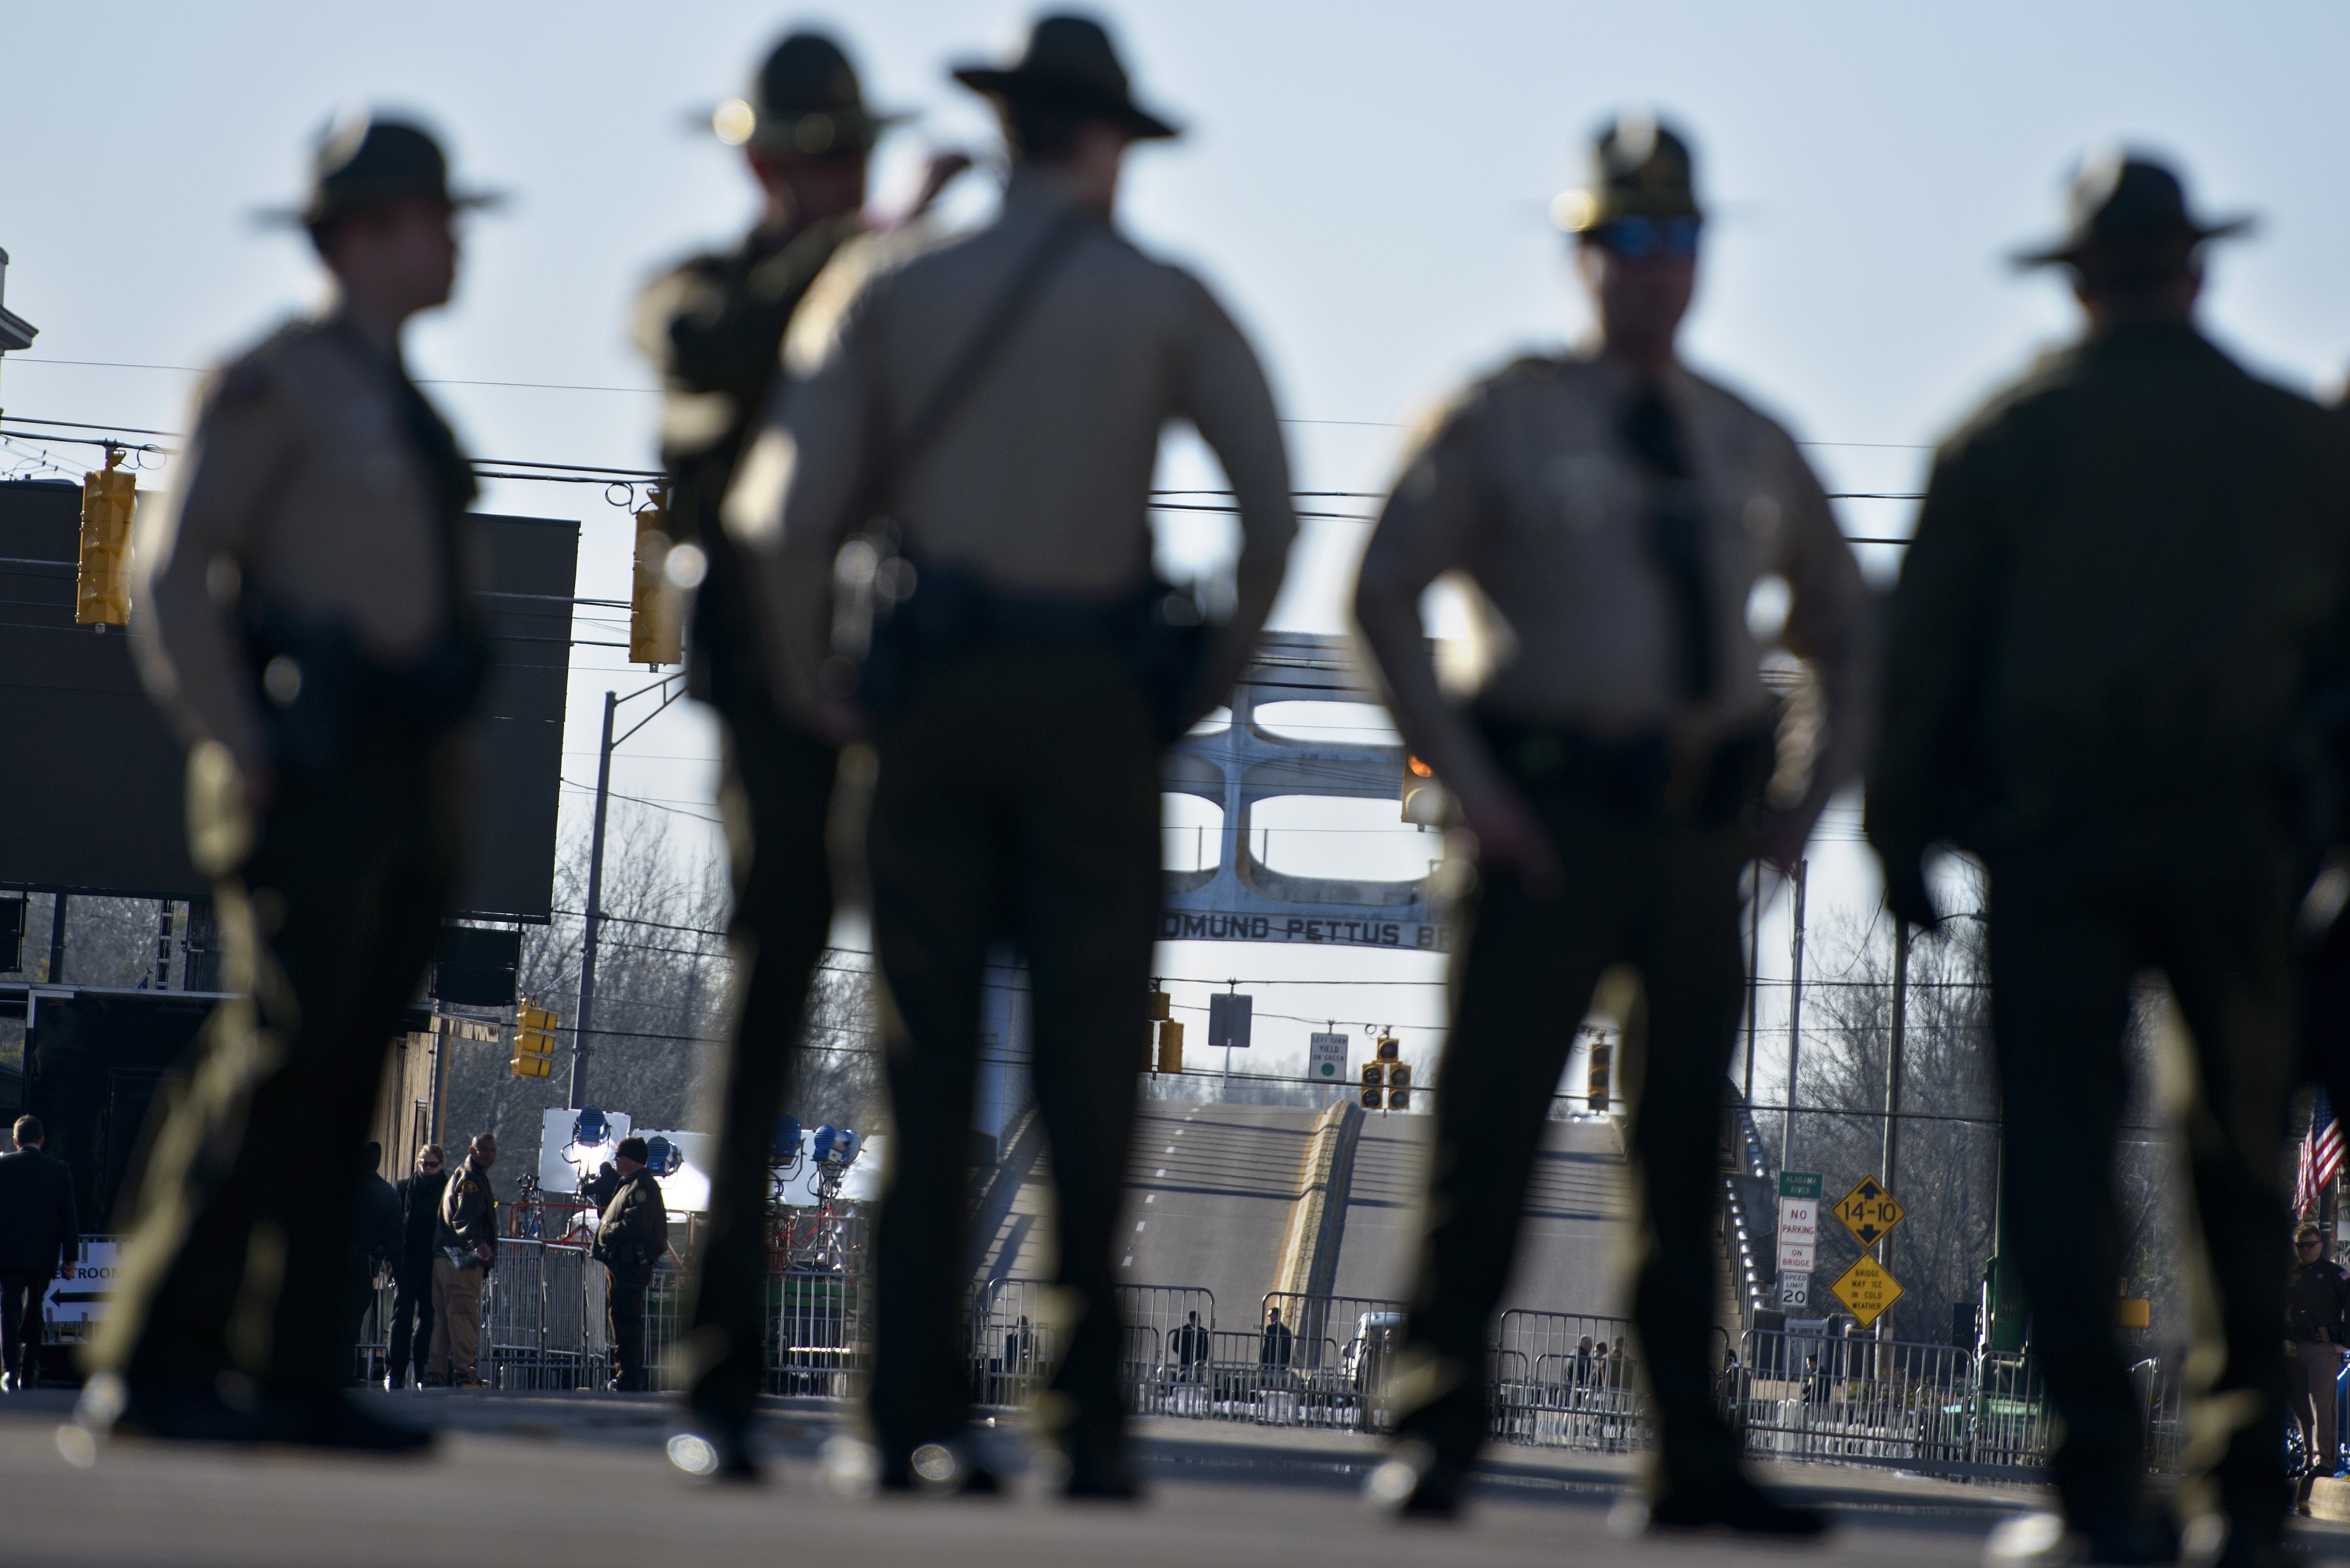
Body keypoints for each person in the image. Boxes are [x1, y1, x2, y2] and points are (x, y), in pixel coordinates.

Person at [732, 13, 1295, 1496]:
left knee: (923, 1062)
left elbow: (782, 519)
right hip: (1096, 704)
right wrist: (1194, 686)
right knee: (1091, 1061)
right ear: (1109, 139)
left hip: (925, 702)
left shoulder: (889, 286)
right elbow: (1273, 512)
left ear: (1002, 126)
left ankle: (898, 1406)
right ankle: (1086, 1418)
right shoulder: (1162, 299)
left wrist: (815, 682)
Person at [1352, 114, 1870, 1532]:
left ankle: (1690, 1458)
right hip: (1544, 827)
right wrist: (1469, 783)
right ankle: (1435, 1426)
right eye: (1620, 241)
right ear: (1580, 257)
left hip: (1699, 837)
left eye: (1673, 241)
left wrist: (1798, 807)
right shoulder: (1505, 416)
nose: (1648, 269)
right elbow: (1381, 591)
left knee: (1683, 1148)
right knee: (1486, 1135)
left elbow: (1843, 624)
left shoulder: (1744, 437)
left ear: (1702, 261)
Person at [1868, 154, 2350, 1567]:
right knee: (2236, 1165)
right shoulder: (2288, 441)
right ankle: (2240, 1496)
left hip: (2054, 846)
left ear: (2076, 282)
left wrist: (1899, 837)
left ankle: (2096, 1488)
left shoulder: (1999, 444)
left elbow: (1923, 661)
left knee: (2063, 1160)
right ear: (2193, 270)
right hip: (2240, 848)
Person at [80, 113, 498, 1453]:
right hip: (298, 767)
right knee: (276, 1055)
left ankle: (299, 1370)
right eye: (437, 219)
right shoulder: (270, 382)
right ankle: (150, 1355)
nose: (459, 242)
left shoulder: (402, 401)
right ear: (366, 234)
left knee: (333, 1082)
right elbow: (173, 575)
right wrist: (236, 743)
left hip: (392, 775)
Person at [636, 30, 948, 1478]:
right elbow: (718, 345)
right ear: (757, 164)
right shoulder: (707, 294)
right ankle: (719, 1383)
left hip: (898, 678)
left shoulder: (896, 288)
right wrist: (879, 250)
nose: (830, 178)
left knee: (922, 1013)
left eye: (848, 155)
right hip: (771, 689)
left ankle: (910, 1390)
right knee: (764, 1004)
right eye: (806, 154)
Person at [0, 1115, 78, 1392]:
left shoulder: (3, 1166)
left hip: (8, 1253)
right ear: (42, 1140)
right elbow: (68, 1218)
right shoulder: (59, 1170)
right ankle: (30, 1368)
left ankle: (10, 1370)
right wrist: (71, 1257)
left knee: (9, 1307)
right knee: (35, 1307)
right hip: (43, 1253)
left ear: (15, 1140)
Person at [590, 1136, 669, 1393]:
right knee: (621, 1317)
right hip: (620, 1263)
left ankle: (629, 1376)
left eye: (618, 1155)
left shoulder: (642, 1186)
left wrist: (607, 1229)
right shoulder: (629, 1184)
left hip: (629, 1264)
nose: (615, 1160)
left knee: (626, 1319)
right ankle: (625, 1373)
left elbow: (636, 1224)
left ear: (630, 1158)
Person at [427, 1134, 499, 1388]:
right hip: (461, 1260)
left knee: (444, 1322)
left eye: (493, 1150)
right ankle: (464, 1374)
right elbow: (464, 1219)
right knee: (464, 1316)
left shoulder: (462, 1174)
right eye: (484, 1150)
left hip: (444, 1259)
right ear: (472, 1150)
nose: (489, 1154)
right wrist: (479, 1245)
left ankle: (434, 1374)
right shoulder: (471, 1179)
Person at [2287, 1222, 2350, 1492]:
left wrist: (2344, 1344)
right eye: (2300, 1246)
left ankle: (2324, 1461)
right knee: (2301, 1406)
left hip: (2323, 1348)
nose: (2305, 1250)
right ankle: (2308, 1459)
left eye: (2310, 1245)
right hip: (2295, 1348)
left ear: (2321, 1246)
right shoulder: (2290, 1275)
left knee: (2320, 1405)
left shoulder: (2336, 1275)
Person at [386, 1144, 446, 1389]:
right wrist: (392, 1264)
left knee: (428, 1318)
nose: (427, 1168)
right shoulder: (404, 1188)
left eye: (432, 1164)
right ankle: (395, 1371)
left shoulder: (447, 1189)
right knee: (401, 1317)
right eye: (424, 1163)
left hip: (433, 1262)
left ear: (441, 1165)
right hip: (407, 1261)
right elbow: (395, 1228)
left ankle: (423, 1371)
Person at [345, 1142, 402, 1385]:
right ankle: (346, 1372)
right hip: (361, 1267)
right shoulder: (386, 1193)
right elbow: (394, 1243)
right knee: (351, 1326)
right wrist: (397, 1273)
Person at [1172, 1310, 1209, 1383]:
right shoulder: (1182, 1330)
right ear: (1191, 1320)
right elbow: (1175, 1346)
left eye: (1199, 1320)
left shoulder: (1203, 1332)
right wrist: (1184, 1354)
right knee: (1183, 1381)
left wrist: (1203, 1359)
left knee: (1198, 1382)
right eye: (1197, 1320)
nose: (1199, 1322)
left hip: (1198, 1362)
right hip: (1185, 1361)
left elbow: (1206, 1347)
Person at [1259, 1307, 1294, 1383]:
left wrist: (1263, 1361)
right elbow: (1289, 1350)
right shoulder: (1287, 1331)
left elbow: (1268, 1346)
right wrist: (1286, 1363)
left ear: (1275, 1315)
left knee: (1265, 1383)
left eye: (1270, 1315)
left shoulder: (1271, 1328)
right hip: (1282, 1364)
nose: (1269, 1318)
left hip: (1271, 1363)